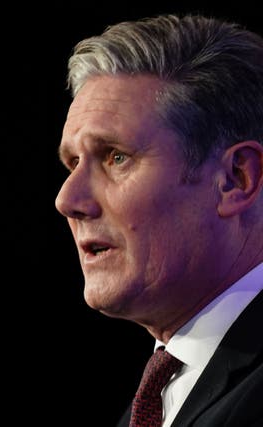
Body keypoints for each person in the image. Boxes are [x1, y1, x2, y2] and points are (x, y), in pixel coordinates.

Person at [55, 13, 263, 427]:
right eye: (72, 163)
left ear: (235, 179)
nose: (67, 200)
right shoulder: (154, 401)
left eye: (116, 157)